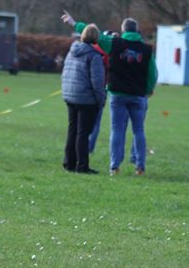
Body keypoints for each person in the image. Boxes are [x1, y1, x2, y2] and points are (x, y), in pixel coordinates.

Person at [61, 11, 157, 176]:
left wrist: (73, 22)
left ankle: (114, 167)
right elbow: (153, 73)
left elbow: (92, 33)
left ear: (123, 29)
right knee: (139, 131)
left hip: (117, 94)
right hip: (138, 95)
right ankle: (140, 166)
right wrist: (148, 90)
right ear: (137, 30)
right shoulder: (147, 50)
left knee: (117, 130)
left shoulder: (114, 43)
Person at [61, 24, 106, 174]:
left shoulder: (71, 52)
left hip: (70, 96)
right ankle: (82, 166)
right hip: (86, 98)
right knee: (83, 133)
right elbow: (97, 82)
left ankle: (69, 162)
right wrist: (101, 100)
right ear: (96, 38)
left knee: (72, 130)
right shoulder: (94, 56)